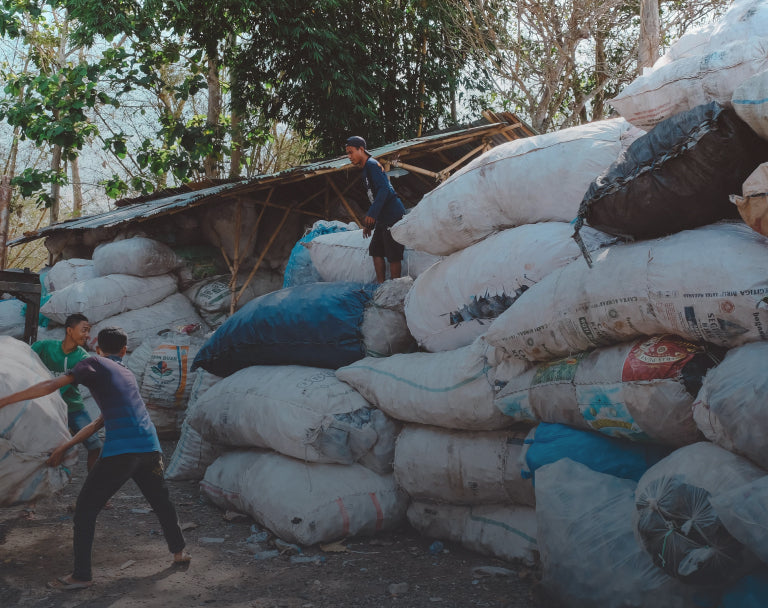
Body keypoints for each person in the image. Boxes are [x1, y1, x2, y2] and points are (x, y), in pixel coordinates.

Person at [0, 326, 189, 591]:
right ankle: (179, 551)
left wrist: (6, 400)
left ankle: (81, 575)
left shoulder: (93, 363)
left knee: (86, 511)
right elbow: (100, 421)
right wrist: (64, 446)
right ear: (124, 350)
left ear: (96, 346)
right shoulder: (126, 373)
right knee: (161, 502)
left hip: (122, 453)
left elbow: (51, 385)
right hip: (150, 449)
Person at [32, 313, 103, 472]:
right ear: (70, 331)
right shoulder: (45, 347)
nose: (87, 335)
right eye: (84, 330)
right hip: (45, 407)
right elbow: (24, 359)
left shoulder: (83, 357)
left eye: (89, 331)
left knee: (95, 445)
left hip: (72, 407)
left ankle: (96, 489)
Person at [345, 135, 406, 283]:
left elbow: (384, 190)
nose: (349, 156)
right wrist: (371, 223)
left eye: (351, 152)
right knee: (376, 250)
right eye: (347, 153)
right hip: (383, 216)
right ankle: (380, 285)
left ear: (361, 149)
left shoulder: (372, 165)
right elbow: (375, 196)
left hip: (392, 213)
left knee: (393, 254)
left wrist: (371, 214)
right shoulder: (366, 169)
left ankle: (394, 288)